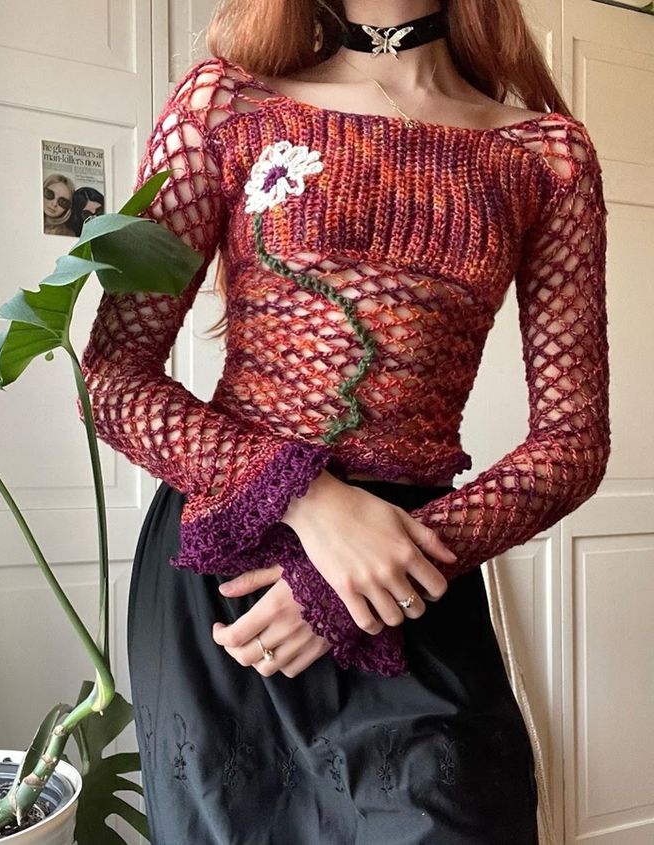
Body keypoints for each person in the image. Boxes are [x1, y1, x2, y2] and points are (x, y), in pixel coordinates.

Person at [79, 1, 610, 842]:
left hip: (410, 564)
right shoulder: (228, 107)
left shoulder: (545, 154)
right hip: (228, 567)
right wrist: (309, 501)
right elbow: (113, 377)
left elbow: (573, 443)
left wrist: (346, 579)